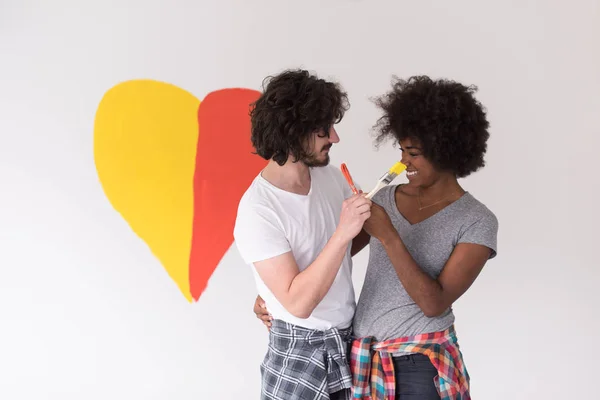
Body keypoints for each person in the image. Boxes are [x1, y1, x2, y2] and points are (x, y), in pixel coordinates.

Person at [254, 75, 498, 399]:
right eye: (401, 151)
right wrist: (275, 295)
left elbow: (434, 302)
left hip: (421, 366)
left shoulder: (476, 221)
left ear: (445, 152)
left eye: (412, 153)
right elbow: (332, 259)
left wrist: (390, 236)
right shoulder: (384, 199)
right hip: (363, 363)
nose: (403, 162)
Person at [233, 69, 372, 400]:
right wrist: (343, 232)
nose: (334, 138)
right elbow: (298, 303)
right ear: (293, 132)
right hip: (297, 355)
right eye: (324, 129)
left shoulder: (329, 177)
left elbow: (340, 248)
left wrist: (365, 221)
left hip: (346, 346)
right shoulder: (258, 209)